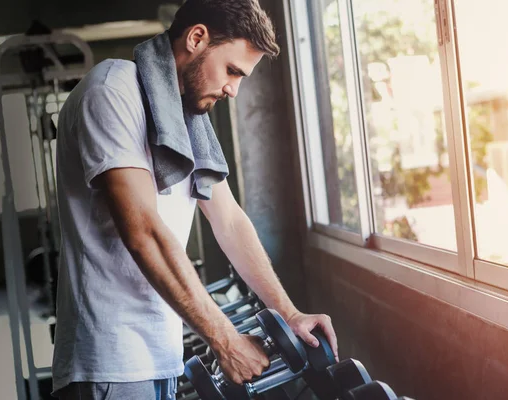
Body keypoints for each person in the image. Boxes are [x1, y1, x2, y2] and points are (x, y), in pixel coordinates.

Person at [51, 1, 338, 399]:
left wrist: (289, 314)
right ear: (197, 37)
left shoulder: (183, 118)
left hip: (158, 354)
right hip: (112, 362)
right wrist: (226, 340)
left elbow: (230, 221)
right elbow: (144, 233)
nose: (233, 90)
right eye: (232, 70)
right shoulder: (113, 91)